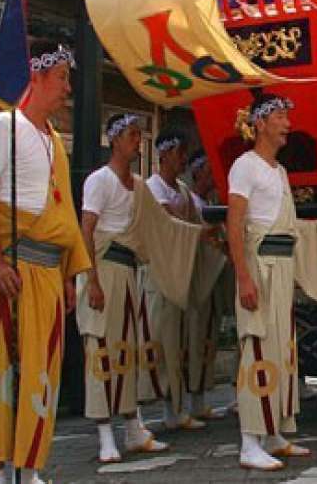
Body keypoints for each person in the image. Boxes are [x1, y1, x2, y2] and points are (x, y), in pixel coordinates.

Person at [0, 41, 92, 484]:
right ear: (36, 77)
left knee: (43, 374)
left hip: (49, 273)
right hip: (13, 271)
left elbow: (62, 217)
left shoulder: (54, 139)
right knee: (2, 369)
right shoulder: (6, 125)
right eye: (61, 78)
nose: (67, 88)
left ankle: (30, 465)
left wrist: (69, 276)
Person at [79, 113, 203, 463]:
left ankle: (133, 426)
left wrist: (197, 234)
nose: (138, 140)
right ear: (115, 139)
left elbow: (162, 226)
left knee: (128, 351)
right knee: (102, 350)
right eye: (133, 135)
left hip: (129, 270)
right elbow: (86, 229)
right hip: (104, 268)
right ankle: (105, 432)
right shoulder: (99, 181)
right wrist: (91, 281)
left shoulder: (137, 185)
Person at [227, 95, 317, 470]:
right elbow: (235, 224)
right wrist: (243, 277)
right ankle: (249, 440)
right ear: (260, 122)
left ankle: (274, 430)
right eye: (281, 117)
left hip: (282, 265)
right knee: (257, 348)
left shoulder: (279, 171)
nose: (288, 123)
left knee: (281, 349)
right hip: (261, 265)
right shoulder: (245, 166)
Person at [143, 128, 206, 432]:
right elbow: (171, 224)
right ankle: (148, 412)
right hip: (159, 275)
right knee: (159, 342)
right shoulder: (152, 189)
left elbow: (195, 222)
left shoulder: (182, 190)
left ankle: (176, 408)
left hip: (180, 275)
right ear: (165, 154)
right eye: (180, 154)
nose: (183, 160)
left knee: (177, 343)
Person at [181, 149, 230, 421]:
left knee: (208, 338)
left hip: (213, 277)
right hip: (197, 277)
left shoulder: (212, 201)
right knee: (194, 338)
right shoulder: (190, 201)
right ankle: (190, 400)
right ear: (198, 171)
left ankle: (200, 398)